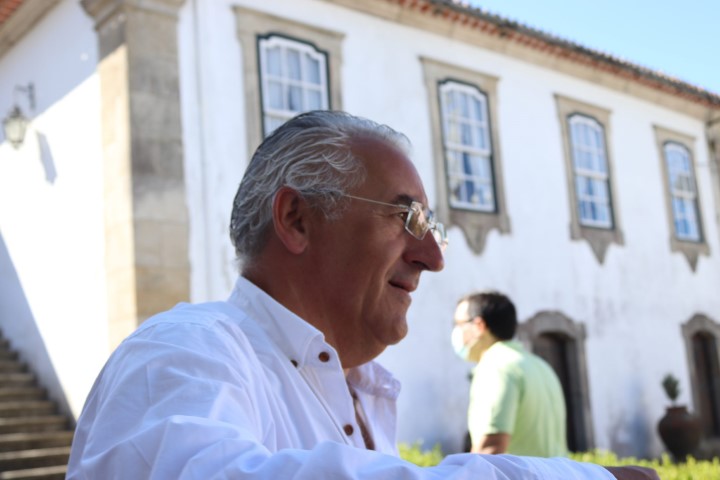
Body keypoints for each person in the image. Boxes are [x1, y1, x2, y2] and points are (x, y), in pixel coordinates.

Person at [67, 110, 658, 479]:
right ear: (297, 218)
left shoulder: (364, 392)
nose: (432, 257)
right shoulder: (180, 349)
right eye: (406, 218)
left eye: (430, 226)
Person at [452, 291, 567, 457]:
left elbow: (490, 448)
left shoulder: (495, 367)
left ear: (479, 326)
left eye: (459, 324)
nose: (456, 331)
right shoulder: (539, 365)